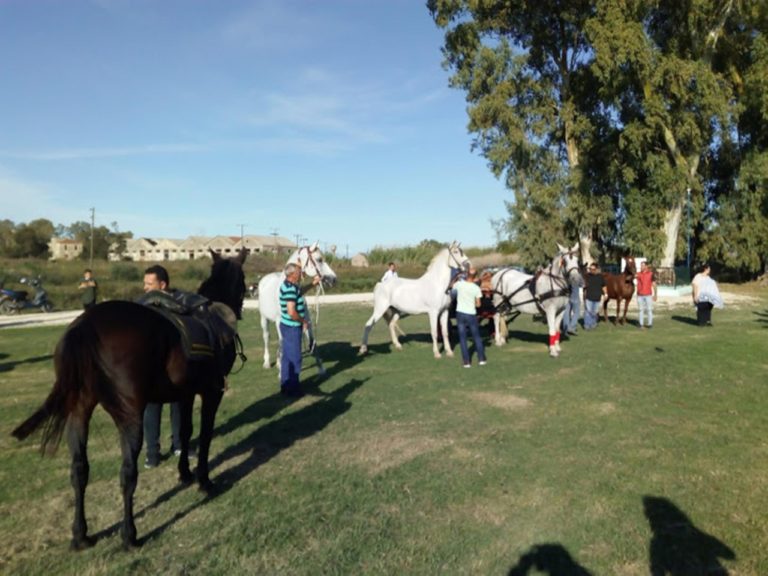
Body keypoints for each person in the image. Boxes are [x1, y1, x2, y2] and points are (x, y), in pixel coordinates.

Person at [141, 264, 182, 468]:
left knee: (179, 403)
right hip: (151, 366)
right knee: (152, 405)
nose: (145, 288)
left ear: (163, 284)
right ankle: (152, 453)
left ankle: (179, 444)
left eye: (150, 284)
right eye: (145, 283)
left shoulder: (179, 305)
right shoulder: (143, 307)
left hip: (176, 366)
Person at [279, 263, 321, 397]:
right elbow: (292, 311)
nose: (301, 273)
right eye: (299, 271)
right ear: (292, 274)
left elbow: (299, 291)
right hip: (292, 326)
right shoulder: (291, 289)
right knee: (295, 358)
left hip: (286, 325)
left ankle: (285, 386)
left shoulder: (289, 285)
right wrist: (303, 321)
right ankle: (294, 389)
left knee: (286, 357)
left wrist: (312, 284)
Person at [452, 267, 487, 368]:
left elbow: (452, 287)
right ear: (475, 276)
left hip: (460, 313)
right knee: (476, 336)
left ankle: (466, 362)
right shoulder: (476, 288)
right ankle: (481, 359)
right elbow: (479, 305)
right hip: (471, 314)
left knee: (463, 338)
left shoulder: (459, 284)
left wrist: (456, 278)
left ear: (467, 274)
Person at [561, 266, 584, 335]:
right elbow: (582, 285)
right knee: (576, 313)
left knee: (566, 313)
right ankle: (572, 327)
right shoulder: (579, 276)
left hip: (567, 297)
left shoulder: (566, 277)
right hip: (575, 297)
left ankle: (566, 329)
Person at [583, 262, 606, 330]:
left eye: (593, 269)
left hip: (597, 298)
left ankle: (593, 324)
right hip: (589, 297)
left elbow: (604, 286)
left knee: (595, 312)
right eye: (590, 269)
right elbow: (584, 285)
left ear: (596, 269)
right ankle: (587, 325)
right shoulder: (587, 276)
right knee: (588, 311)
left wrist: (606, 294)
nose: (591, 270)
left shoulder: (600, 277)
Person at [635, 260, 657, 329]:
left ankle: (649, 324)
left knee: (649, 310)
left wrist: (655, 294)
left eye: (643, 265)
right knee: (641, 310)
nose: (641, 267)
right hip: (639, 295)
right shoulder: (638, 274)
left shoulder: (651, 274)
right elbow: (630, 276)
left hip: (648, 295)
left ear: (646, 266)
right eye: (641, 265)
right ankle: (641, 324)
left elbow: (654, 285)